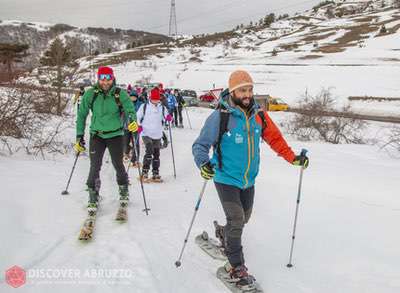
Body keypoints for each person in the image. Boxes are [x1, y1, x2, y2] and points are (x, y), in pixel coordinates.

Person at [192, 70, 309, 287]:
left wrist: (293, 158)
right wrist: (203, 164)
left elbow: (275, 139)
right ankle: (236, 268)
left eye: (250, 89)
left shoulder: (259, 116)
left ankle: (223, 234)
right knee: (236, 219)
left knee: (243, 219)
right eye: (242, 90)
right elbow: (200, 145)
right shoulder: (221, 116)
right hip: (225, 177)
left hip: (249, 180)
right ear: (233, 91)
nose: (247, 94)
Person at [74, 66, 138, 215]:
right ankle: (93, 195)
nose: (105, 81)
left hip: (115, 135)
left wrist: (133, 121)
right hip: (97, 135)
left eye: (108, 78)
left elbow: (130, 110)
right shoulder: (91, 94)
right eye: (102, 78)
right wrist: (79, 136)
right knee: (94, 166)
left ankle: (123, 189)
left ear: (112, 78)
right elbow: (82, 115)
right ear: (98, 78)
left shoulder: (119, 93)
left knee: (118, 164)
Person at [136, 87, 173, 181]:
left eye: (157, 99)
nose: (155, 101)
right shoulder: (144, 107)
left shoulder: (162, 108)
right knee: (149, 151)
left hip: (157, 133)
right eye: (153, 99)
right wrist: (139, 126)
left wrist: (169, 118)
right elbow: (137, 117)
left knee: (156, 154)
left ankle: (155, 173)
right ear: (150, 98)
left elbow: (167, 116)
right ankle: (144, 172)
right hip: (146, 133)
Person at [123, 90, 143, 167]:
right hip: (126, 126)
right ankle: (127, 152)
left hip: (135, 127)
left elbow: (142, 116)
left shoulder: (140, 105)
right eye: (131, 96)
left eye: (134, 97)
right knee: (125, 143)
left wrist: (140, 126)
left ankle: (135, 159)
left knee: (136, 143)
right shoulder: (126, 104)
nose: (133, 98)